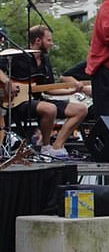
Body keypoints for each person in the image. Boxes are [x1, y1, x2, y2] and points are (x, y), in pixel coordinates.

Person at [0, 25, 87, 158]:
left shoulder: (45, 61)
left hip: (38, 100)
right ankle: (45, 147)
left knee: (81, 110)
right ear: (38, 41)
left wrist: (72, 91)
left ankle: (57, 147)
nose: (51, 44)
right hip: (17, 102)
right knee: (50, 108)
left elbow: (49, 89)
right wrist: (7, 82)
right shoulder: (18, 56)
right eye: (49, 40)